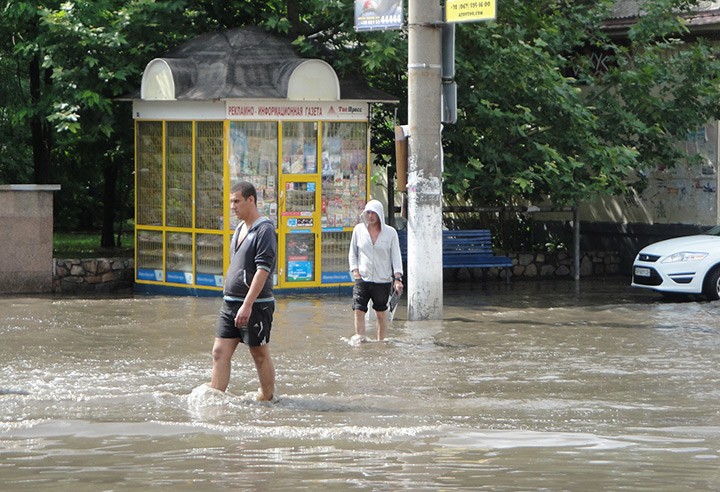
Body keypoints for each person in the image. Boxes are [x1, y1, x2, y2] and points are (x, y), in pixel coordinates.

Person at [210, 181, 277, 401]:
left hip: (255, 305)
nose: (232, 206)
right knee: (219, 352)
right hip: (230, 303)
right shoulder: (239, 228)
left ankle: (268, 400)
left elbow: (263, 270)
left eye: (236, 201)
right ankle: (216, 401)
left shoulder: (265, 230)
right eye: (231, 202)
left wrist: (248, 304)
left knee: (258, 353)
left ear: (251, 200)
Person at [348, 199, 404, 341]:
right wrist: (355, 272)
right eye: (368, 212)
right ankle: (360, 339)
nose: (371, 216)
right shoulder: (358, 230)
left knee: (381, 312)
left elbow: (395, 256)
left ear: (379, 214)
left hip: (383, 279)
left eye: (374, 213)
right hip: (363, 278)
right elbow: (352, 252)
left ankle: (381, 341)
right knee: (358, 310)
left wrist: (397, 279)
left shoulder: (390, 233)